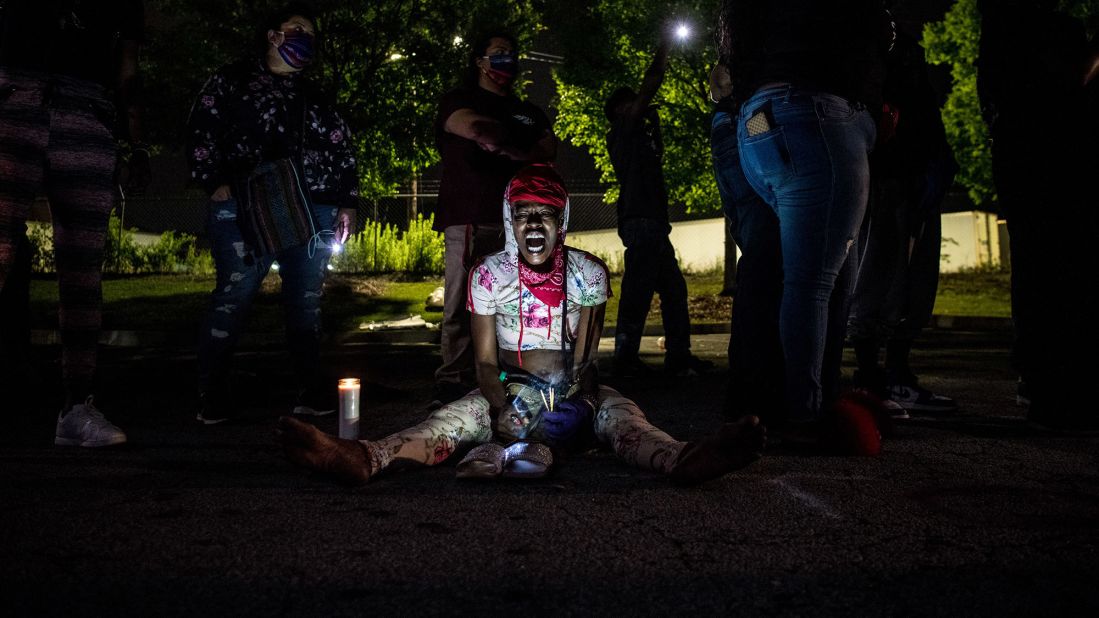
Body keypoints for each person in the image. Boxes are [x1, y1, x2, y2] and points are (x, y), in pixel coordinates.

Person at [278, 164, 765, 485]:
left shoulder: (588, 273)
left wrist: (582, 403)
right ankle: (366, 457)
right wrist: (499, 405)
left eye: (545, 216)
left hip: (570, 394)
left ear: (562, 222)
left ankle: (683, 459)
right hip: (506, 389)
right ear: (509, 222)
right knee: (448, 422)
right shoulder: (488, 275)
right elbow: (486, 363)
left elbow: (588, 362)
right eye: (522, 215)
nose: (533, 225)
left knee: (625, 421)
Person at [720, 0, 893, 445]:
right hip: (815, 113)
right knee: (812, 282)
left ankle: (796, 397)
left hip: (758, 121)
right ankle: (806, 412)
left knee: (807, 275)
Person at [186, 2, 358, 424]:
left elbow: (342, 147)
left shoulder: (315, 96)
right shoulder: (231, 81)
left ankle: (308, 388)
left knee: (305, 301)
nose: (306, 38)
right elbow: (199, 129)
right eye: (297, 28)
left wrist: (348, 201)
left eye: (311, 33)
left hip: (313, 208)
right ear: (273, 35)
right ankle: (211, 391)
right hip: (245, 202)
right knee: (234, 295)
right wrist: (214, 182)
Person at [0, 0, 149, 446]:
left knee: (83, 270)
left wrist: (137, 144)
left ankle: (76, 408)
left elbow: (128, 70)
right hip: (11, 98)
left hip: (87, 110)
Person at [977, 0, 1099, 432]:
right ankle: (1053, 388)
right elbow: (1074, 76)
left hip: (1031, 161)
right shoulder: (1028, 27)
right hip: (1049, 165)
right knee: (1058, 274)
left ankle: (1044, 381)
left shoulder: (1002, 26)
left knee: (1042, 273)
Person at [430, 30, 557, 411]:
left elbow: (547, 150)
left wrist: (501, 141)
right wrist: (519, 144)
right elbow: (472, 128)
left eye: (512, 53)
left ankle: (507, 373)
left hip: (518, 220)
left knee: (513, 300)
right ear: (479, 61)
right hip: (470, 213)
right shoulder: (459, 99)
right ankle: (452, 378)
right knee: (460, 300)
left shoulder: (528, 110)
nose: (508, 59)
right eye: (498, 52)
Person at [847, 27, 959, 417]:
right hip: (891, 171)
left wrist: (940, 158)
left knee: (914, 281)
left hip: (915, 170)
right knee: (881, 278)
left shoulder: (900, 37)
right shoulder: (867, 32)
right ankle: (873, 376)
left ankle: (893, 372)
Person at [604, 27, 712, 378]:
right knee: (638, 291)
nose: (641, 105)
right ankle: (624, 359)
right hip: (641, 222)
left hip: (652, 223)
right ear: (621, 108)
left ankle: (677, 356)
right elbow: (651, 83)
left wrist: (657, 127)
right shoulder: (622, 130)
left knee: (673, 290)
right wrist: (664, 46)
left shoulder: (642, 138)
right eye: (632, 102)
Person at [708, 60, 783, 425]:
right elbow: (764, 157)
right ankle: (753, 390)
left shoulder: (725, 117)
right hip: (742, 122)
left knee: (758, 256)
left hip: (731, 124)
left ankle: (747, 388)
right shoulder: (747, 114)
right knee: (765, 258)